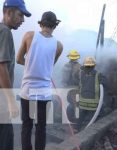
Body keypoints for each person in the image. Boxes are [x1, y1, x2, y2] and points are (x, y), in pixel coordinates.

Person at [16, 11, 63, 150]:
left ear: (41, 23)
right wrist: (39, 66)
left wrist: (31, 64)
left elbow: (19, 59)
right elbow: (49, 66)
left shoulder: (29, 36)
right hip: (44, 92)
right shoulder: (59, 45)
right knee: (41, 127)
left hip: (27, 91)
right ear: (55, 25)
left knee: (26, 126)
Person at [0, 0, 31, 150]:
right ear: (8, 12)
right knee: (6, 141)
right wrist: (11, 101)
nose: (23, 20)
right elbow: (2, 67)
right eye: (20, 15)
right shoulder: (4, 32)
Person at [67, 56, 106, 131]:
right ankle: (90, 129)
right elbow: (105, 84)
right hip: (93, 104)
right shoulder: (99, 75)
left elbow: (75, 79)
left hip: (82, 103)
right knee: (101, 113)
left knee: (80, 116)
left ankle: (76, 128)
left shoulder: (81, 74)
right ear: (94, 66)